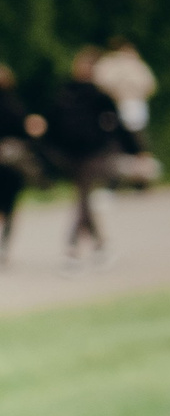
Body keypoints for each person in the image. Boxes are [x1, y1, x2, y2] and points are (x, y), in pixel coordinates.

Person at [41, 48, 129, 267]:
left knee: (83, 199)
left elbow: (117, 125)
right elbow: (52, 125)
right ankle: (98, 246)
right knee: (84, 200)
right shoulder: (67, 94)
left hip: (92, 154)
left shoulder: (99, 96)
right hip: (71, 155)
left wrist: (133, 149)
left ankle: (73, 248)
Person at [91, 38, 157, 142]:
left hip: (113, 106)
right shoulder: (138, 65)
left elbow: (98, 84)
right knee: (136, 138)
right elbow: (150, 87)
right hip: (133, 105)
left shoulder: (107, 63)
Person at [0, 64, 33, 265]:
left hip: (8, 162)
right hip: (12, 161)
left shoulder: (14, 103)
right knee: (10, 206)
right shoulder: (16, 104)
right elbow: (24, 131)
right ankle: (4, 246)